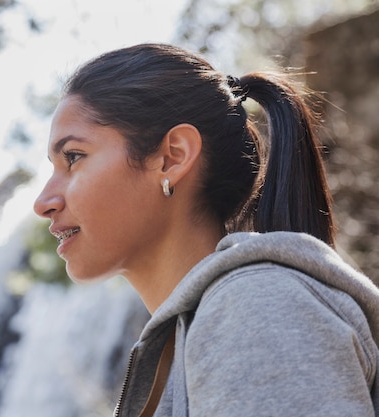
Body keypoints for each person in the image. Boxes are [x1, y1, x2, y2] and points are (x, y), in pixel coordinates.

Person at [33, 43, 379, 417]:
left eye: (73, 157)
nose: (43, 202)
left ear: (173, 157)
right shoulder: (195, 335)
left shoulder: (253, 308)